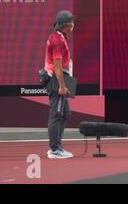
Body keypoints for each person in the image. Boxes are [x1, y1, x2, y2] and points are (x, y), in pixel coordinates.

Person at [44, 10, 75, 159]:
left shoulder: (60, 37)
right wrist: (62, 86)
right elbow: (57, 66)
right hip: (57, 80)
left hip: (61, 78)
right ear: (66, 25)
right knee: (56, 114)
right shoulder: (57, 40)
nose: (73, 25)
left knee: (65, 114)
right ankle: (55, 150)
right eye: (71, 22)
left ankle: (57, 146)